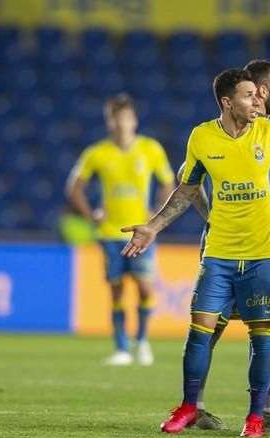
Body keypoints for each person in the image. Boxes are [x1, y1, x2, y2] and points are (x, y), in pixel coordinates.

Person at [121, 68, 270, 438]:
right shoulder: (202, 138)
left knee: (262, 336)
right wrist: (153, 225)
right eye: (250, 95)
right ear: (227, 102)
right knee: (199, 330)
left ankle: (256, 417)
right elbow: (187, 188)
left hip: (263, 253)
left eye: (258, 94)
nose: (258, 100)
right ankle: (189, 407)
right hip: (218, 253)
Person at [177, 60, 270, 435]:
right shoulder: (215, 135)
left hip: (257, 247)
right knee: (212, 327)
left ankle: (264, 411)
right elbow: (188, 184)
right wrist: (212, 217)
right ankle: (202, 407)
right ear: (257, 90)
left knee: (260, 329)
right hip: (225, 248)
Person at [67, 93, 174, 366]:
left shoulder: (151, 149)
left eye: (124, 117)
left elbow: (168, 182)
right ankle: (121, 348)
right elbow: (74, 187)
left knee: (145, 288)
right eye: (114, 118)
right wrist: (91, 216)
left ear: (134, 120)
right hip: (110, 233)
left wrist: (157, 213)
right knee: (116, 291)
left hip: (141, 232)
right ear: (109, 121)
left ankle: (141, 341)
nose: (120, 123)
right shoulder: (97, 152)